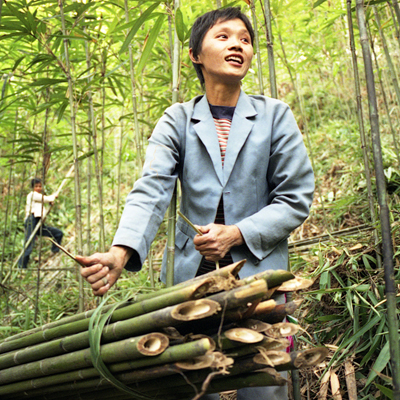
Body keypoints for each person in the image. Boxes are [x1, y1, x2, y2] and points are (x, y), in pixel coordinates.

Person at [77, 7, 314, 400]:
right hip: (190, 286)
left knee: (266, 384)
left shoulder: (275, 116)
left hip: (259, 277)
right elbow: (152, 188)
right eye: (223, 36)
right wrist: (120, 253)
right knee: (188, 385)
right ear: (195, 55)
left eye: (245, 38)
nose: (237, 44)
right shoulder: (178, 120)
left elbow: (295, 198)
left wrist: (237, 233)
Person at [18, 178, 63, 269]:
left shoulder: (39, 197)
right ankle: (21, 267)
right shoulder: (32, 195)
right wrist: (53, 196)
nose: (38, 188)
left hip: (38, 222)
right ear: (32, 187)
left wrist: (51, 201)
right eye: (36, 186)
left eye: (40, 186)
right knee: (29, 244)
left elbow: (44, 203)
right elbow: (45, 199)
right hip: (31, 221)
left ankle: (54, 251)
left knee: (58, 233)